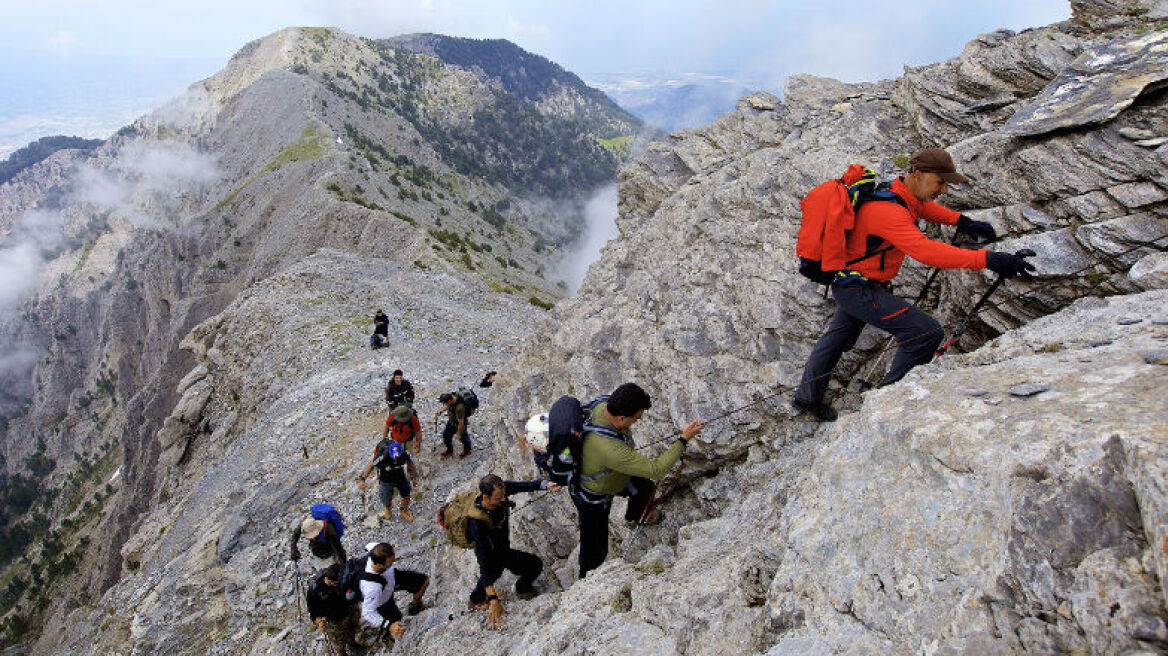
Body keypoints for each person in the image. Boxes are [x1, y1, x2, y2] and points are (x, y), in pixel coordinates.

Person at [791, 147, 1035, 422]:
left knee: (835, 340)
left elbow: (922, 207)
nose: (944, 190)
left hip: (852, 283)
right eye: (940, 182)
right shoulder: (887, 212)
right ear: (917, 175)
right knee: (925, 333)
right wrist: (987, 259)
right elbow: (924, 250)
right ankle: (884, 405)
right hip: (859, 290)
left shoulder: (895, 192)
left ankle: (806, 398)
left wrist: (961, 220)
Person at [571, 383, 706, 579]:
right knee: (596, 550)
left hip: (611, 475)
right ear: (621, 418)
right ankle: (585, 582)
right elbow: (656, 470)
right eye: (636, 419)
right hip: (593, 497)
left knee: (644, 487)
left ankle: (635, 516)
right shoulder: (609, 449)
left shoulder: (602, 405)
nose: (637, 421)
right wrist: (683, 439)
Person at [465, 474, 562, 629]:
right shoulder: (476, 523)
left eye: (504, 495)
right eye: (499, 498)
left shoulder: (501, 490)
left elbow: (523, 485)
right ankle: (476, 601)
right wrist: (493, 598)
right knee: (491, 573)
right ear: (486, 497)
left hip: (503, 550)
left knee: (534, 565)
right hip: (492, 554)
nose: (504, 499)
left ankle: (522, 589)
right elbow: (483, 560)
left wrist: (545, 485)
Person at [356, 543, 429, 645]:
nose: (394, 560)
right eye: (390, 561)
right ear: (380, 565)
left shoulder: (376, 549)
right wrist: (389, 625)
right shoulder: (373, 588)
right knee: (397, 624)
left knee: (423, 581)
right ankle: (388, 638)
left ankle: (416, 605)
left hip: (391, 579)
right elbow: (367, 612)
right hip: (382, 601)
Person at [358, 430, 419, 522]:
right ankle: (388, 509)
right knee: (386, 498)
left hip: (400, 477)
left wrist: (414, 477)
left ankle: (404, 510)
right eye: (394, 455)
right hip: (385, 479)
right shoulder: (383, 456)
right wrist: (363, 479)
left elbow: (410, 464)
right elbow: (371, 465)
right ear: (389, 452)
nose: (395, 457)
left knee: (406, 494)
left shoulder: (403, 454)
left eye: (397, 455)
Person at [306, 563, 361, 656]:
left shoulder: (346, 576)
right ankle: (342, 653)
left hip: (349, 609)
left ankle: (352, 643)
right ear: (328, 581)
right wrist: (320, 622)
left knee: (352, 628)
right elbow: (313, 611)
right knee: (338, 641)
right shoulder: (316, 591)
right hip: (333, 619)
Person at [435, 392, 472, 459]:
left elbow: (461, 422)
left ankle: (467, 450)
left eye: (445, 403)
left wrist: (458, 433)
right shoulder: (451, 397)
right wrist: (441, 411)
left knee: (463, 438)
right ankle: (450, 451)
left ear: (450, 400)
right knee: (446, 436)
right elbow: (447, 406)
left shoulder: (459, 408)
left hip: (459, 425)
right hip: (451, 422)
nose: (444, 405)